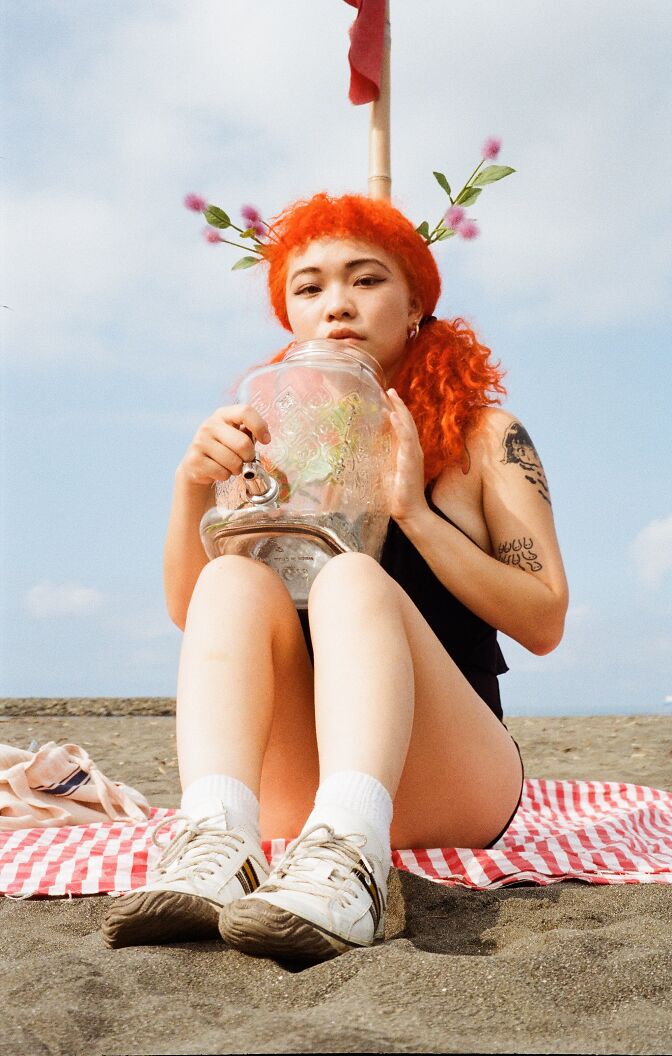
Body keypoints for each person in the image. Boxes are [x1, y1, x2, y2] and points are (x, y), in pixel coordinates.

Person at [102, 193, 569, 962]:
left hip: (455, 776)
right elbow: (198, 615)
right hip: (301, 788)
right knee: (234, 581)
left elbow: (545, 620)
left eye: (366, 280)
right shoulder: (274, 436)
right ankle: (216, 838)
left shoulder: (487, 436)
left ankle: (357, 858)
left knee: (351, 580)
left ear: (416, 301)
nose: (337, 305)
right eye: (309, 287)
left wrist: (413, 512)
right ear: (289, 315)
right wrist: (192, 486)